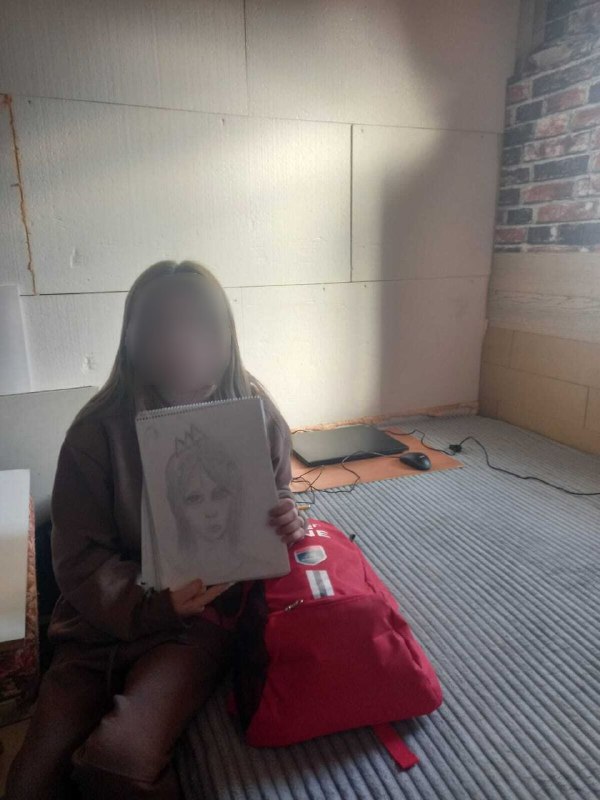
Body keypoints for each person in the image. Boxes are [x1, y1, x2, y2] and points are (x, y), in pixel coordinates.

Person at [5, 260, 306, 800]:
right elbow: (77, 558)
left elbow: (277, 494)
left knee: (116, 763)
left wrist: (287, 514)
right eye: (163, 326)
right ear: (132, 339)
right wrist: (148, 599)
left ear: (227, 335)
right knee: (30, 784)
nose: (183, 340)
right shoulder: (95, 432)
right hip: (96, 629)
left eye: (200, 324)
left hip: (196, 626)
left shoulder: (254, 414)